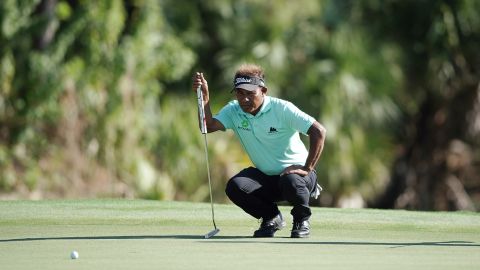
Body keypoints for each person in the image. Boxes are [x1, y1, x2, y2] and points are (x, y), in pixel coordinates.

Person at [192, 64, 326, 238]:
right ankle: (271, 217)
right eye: (240, 93)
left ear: (263, 91)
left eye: (250, 93)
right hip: (267, 178)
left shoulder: (282, 109)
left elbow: (319, 131)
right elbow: (207, 127)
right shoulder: (234, 111)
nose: (245, 99)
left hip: (299, 176)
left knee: (291, 180)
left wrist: (307, 168)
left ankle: (301, 220)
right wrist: (204, 98)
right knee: (236, 187)